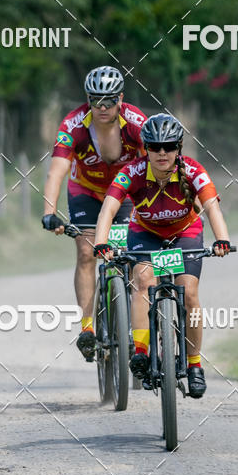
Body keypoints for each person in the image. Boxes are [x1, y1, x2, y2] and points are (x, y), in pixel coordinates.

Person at [93, 113, 232, 399]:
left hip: (185, 233)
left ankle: (194, 365)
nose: (162, 153)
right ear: (146, 148)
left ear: (179, 147)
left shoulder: (193, 170)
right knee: (142, 281)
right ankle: (142, 352)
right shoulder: (132, 171)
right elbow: (108, 207)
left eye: (169, 147)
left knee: (189, 292)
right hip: (145, 233)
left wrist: (223, 239)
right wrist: (101, 243)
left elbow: (212, 207)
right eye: (154, 147)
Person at [41, 66, 146, 361]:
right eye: (95, 100)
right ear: (87, 99)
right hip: (85, 192)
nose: (102, 107)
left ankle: (142, 323)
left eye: (109, 101)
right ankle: (88, 328)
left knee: (137, 258)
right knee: (87, 252)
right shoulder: (73, 123)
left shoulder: (136, 121)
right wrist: (50, 211)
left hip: (125, 194)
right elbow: (58, 169)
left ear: (121, 98)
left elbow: (159, 162)